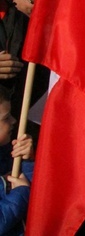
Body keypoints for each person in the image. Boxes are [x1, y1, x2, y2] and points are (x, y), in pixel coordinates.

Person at [0, 85, 34, 236]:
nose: (14, 120)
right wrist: (21, 193)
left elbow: (36, 188)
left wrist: (28, 159)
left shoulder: (6, 151)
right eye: (6, 118)